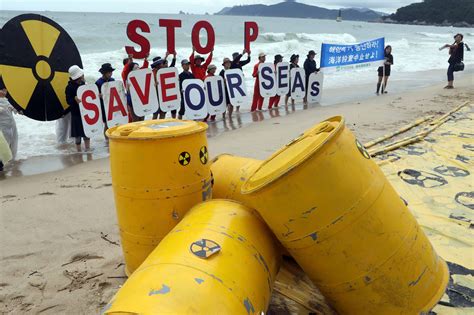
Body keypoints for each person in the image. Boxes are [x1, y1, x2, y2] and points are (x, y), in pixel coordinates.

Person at [66, 65, 90, 152]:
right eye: (80, 76)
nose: (82, 77)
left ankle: (88, 149)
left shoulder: (84, 84)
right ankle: (78, 152)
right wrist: (74, 99)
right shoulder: (69, 88)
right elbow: (68, 101)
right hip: (76, 113)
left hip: (85, 112)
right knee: (78, 136)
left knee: (87, 133)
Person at [0, 88, 18, 172]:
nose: (4, 91)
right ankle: (1, 165)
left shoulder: (6, 100)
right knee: (3, 146)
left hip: (11, 125)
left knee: (14, 143)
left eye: (5, 90)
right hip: (2, 127)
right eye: (2, 90)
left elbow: (17, 109)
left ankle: (12, 163)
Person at [95, 63, 116, 135]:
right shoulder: (98, 83)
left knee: (114, 122)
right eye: (109, 72)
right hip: (103, 106)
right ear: (104, 73)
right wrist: (98, 96)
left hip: (113, 104)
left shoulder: (112, 80)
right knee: (107, 123)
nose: (111, 74)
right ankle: (106, 142)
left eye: (111, 72)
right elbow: (95, 96)